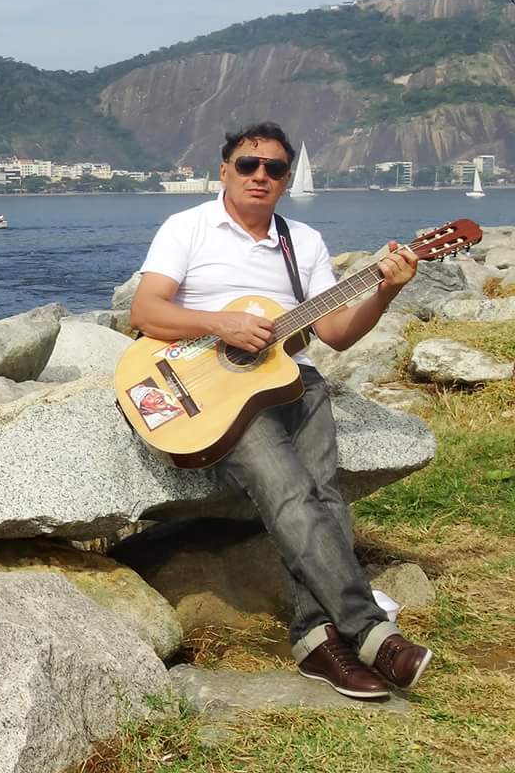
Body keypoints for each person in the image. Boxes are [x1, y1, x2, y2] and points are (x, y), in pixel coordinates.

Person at [129, 121, 431, 700]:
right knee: (290, 491)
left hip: (293, 381)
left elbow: (336, 333)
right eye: (248, 164)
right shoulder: (187, 227)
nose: (260, 175)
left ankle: (316, 640)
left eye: (274, 168)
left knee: (325, 496)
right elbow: (146, 312)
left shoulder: (303, 242)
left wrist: (387, 290)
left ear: (287, 179)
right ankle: (371, 632)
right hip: (208, 389)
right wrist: (222, 323)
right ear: (225, 171)